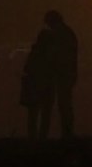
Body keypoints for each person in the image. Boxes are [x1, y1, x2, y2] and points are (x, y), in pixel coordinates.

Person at [21, 9, 81, 140]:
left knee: (51, 107)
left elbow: (56, 57)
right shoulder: (66, 34)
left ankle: (46, 136)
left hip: (59, 75)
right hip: (62, 74)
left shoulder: (58, 35)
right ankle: (65, 133)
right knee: (62, 105)